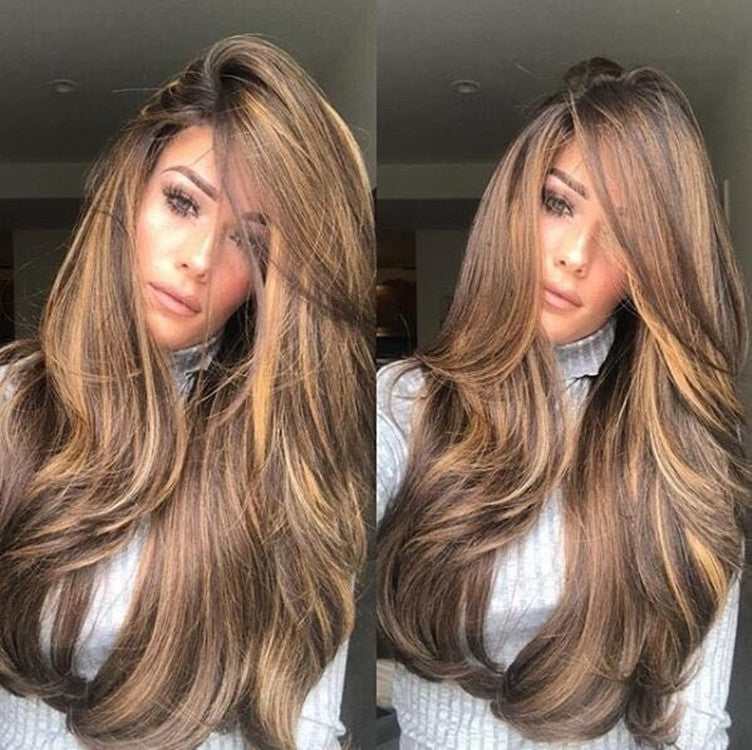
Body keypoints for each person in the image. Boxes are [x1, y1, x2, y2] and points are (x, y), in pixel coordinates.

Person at [0, 35, 374, 748]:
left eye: (250, 243)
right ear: (132, 188)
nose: (199, 260)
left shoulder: (289, 457)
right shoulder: (11, 409)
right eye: (183, 202)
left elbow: (304, 718)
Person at [377, 58, 749, 749]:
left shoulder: (683, 442)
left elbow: (694, 720)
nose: (576, 254)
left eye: (625, 233)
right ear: (516, 203)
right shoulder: (404, 405)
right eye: (559, 203)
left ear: (651, 270)